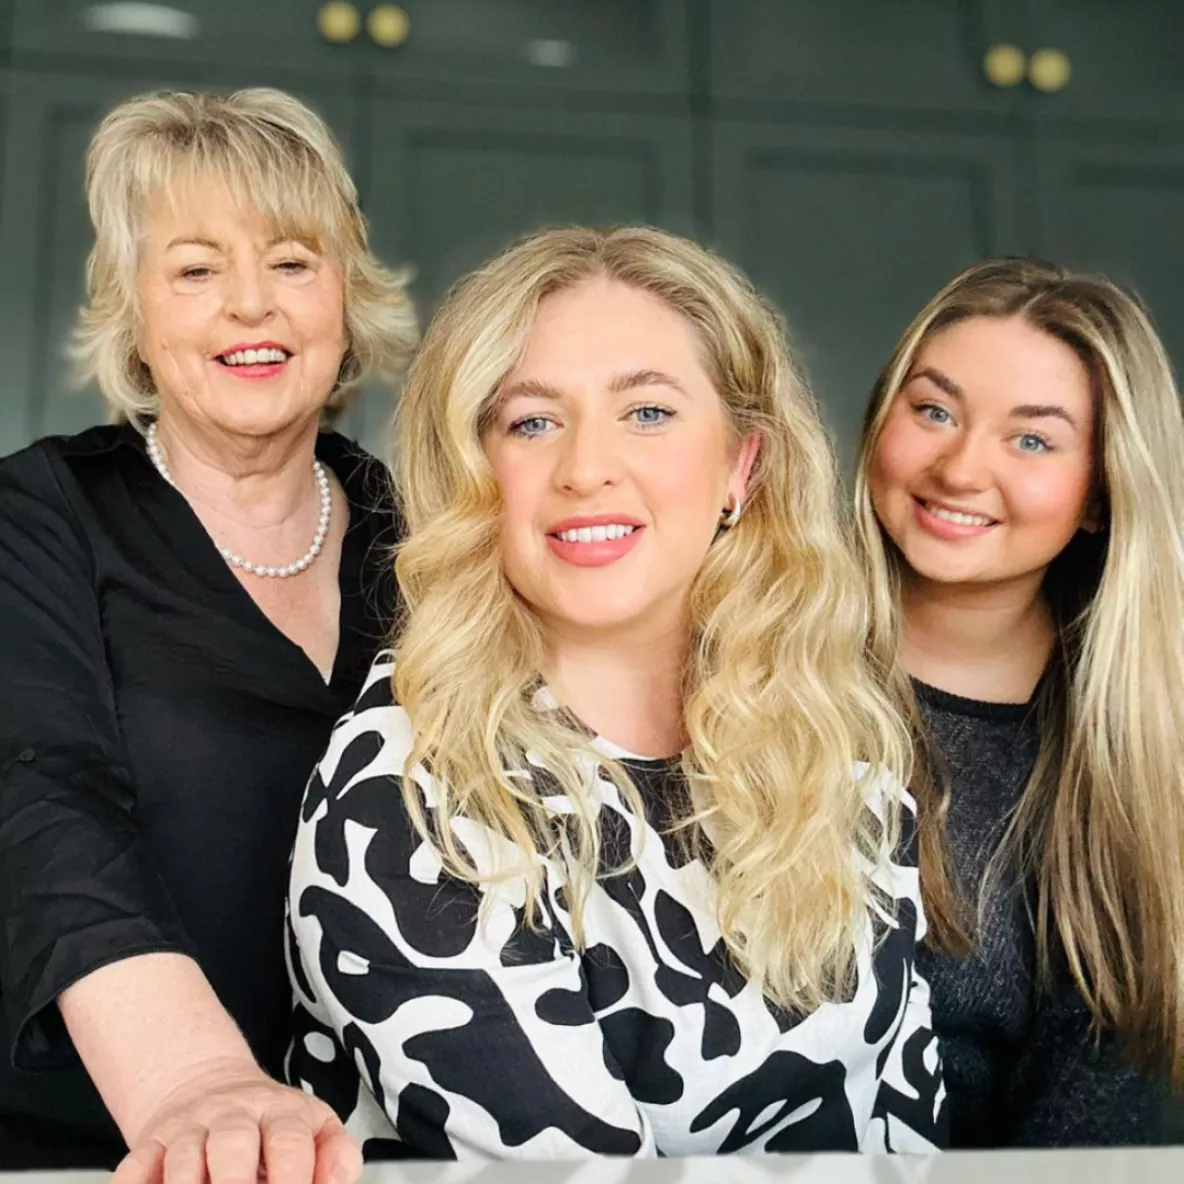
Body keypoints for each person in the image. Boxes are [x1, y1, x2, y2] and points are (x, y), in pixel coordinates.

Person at [285, 225, 947, 1159]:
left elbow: (908, 1131)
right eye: (531, 421)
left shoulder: (837, 748)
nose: (586, 467)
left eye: (647, 412)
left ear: (739, 468)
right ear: (478, 479)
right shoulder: (406, 787)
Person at [0, 88, 416, 1180]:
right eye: (194, 270)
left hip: (384, 1148)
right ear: (132, 312)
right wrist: (192, 1082)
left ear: (344, 295)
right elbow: (44, 795)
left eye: (290, 262)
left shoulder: (430, 538)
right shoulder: (40, 512)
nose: (251, 306)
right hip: (97, 1147)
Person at [854, 256, 1183, 1145]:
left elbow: (1086, 1133)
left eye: (1032, 439)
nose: (960, 468)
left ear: (1102, 496)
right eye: (934, 411)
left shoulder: (1128, 761)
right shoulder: (742, 652)